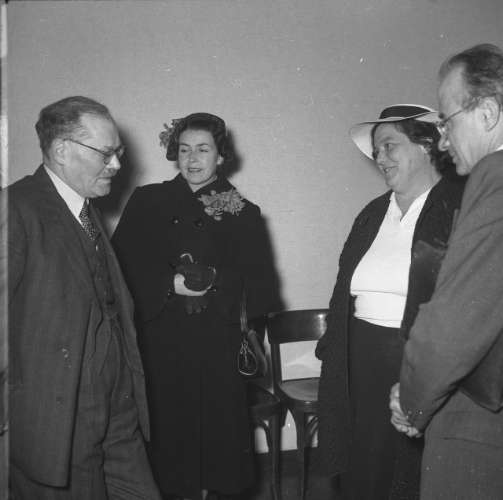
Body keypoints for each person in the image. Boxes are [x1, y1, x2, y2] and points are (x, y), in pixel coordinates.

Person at [111, 112, 282, 500]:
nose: (192, 159)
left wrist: (215, 282)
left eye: (203, 149)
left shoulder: (242, 210)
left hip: (217, 343)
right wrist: (168, 284)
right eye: (185, 149)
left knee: (216, 447)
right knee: (169, 443)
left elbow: (262, 286)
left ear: (221, 156)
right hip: (161, 341)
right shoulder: (147, 200)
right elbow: (118, 267)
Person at [2, 96, 161, 499]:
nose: (117, 165)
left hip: (118, 410)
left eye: (118, 153)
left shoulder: (87, 211)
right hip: (57, 420)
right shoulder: (15, 208)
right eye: (106, 154)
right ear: (61, 150)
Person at [315, 104, 464, 500]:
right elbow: (342, 291)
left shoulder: (458, 208)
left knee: (409, 469)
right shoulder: (372, 213)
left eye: (389, 146)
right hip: (359, 359)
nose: (380, 158)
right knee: (364, 464)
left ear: (426, 146)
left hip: (418, 361)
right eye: (377, 150)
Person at [392, 43, 503, 499]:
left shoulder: (495, 176)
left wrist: (412, 401)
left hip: (480, 424)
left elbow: (453, 326)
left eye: (447, 121)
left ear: (488, 113)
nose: (441, 140)